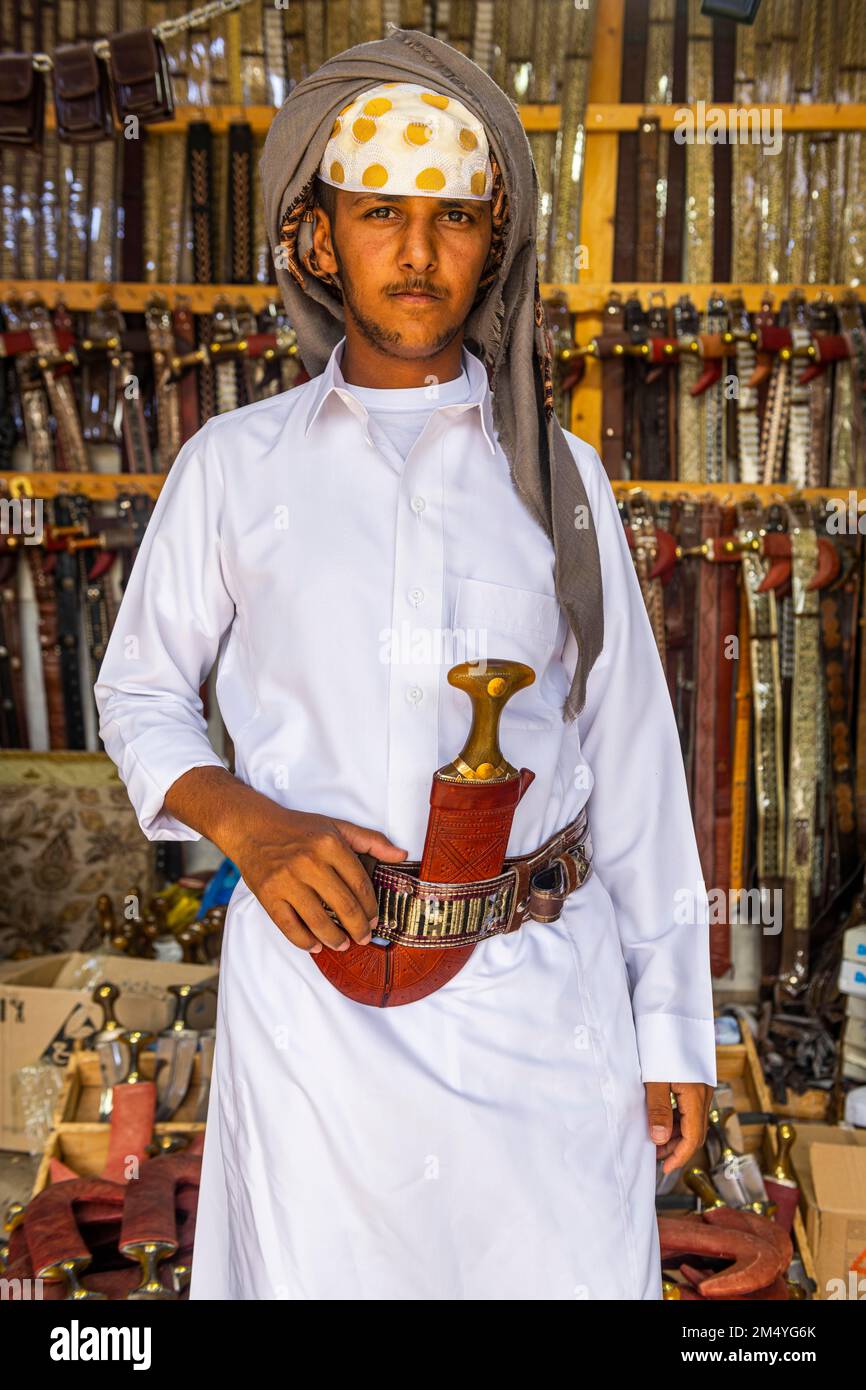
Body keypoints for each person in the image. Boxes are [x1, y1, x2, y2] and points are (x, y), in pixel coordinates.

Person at [95, 27, 716, 1301]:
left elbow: (635, 765)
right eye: (381, 211)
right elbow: (140, 689)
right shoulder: (235, 467)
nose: (418, 253)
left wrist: (674, 1034)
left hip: (539, 1003)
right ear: (318, 237)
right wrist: (249, 825)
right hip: (319, 1015)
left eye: (453, 217)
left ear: (494, 240)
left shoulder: (560, 480)